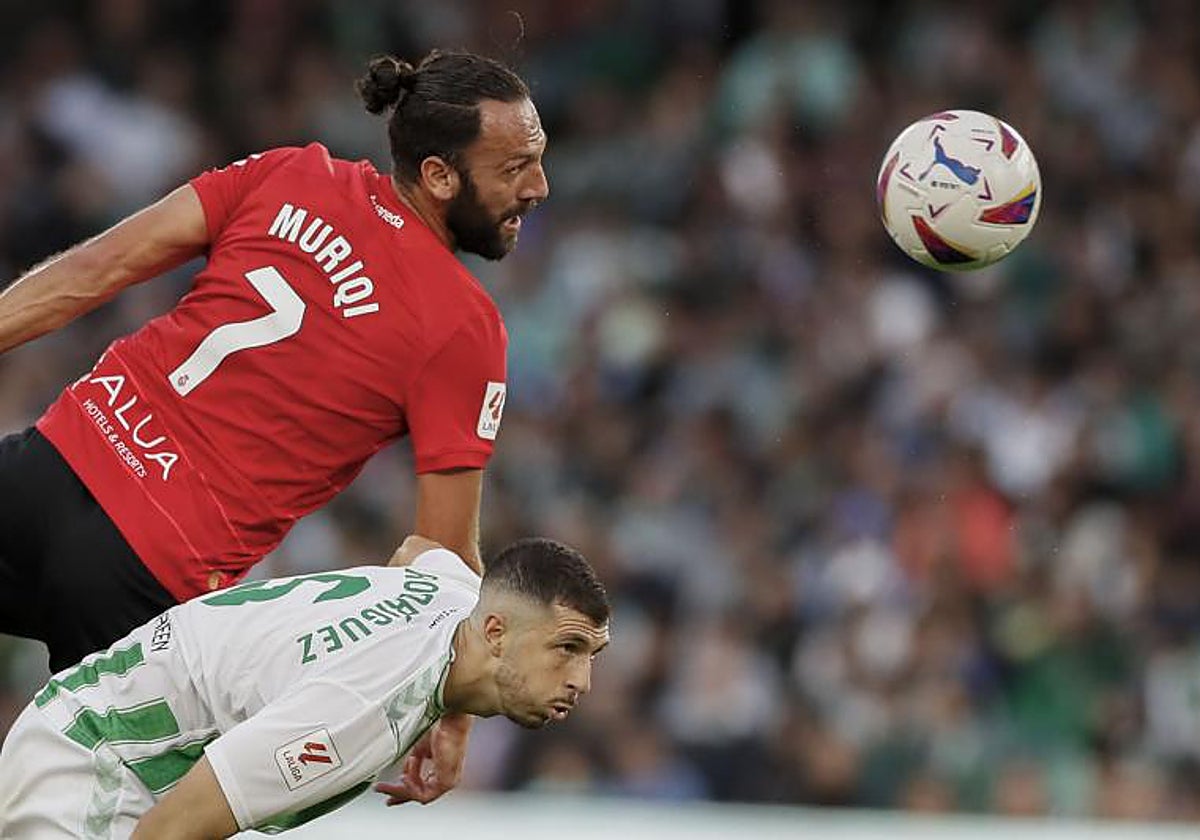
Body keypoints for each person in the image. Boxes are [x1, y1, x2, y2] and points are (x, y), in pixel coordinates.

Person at [0, 535, 610, 838]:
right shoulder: (359, 710)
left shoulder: (459, 597)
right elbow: (174, 827)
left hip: (101, 724)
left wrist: (454, 720)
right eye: (567, 648)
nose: (581, 680)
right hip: (94, 767)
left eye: (592, 654)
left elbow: (422, 550)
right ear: (497, 632)